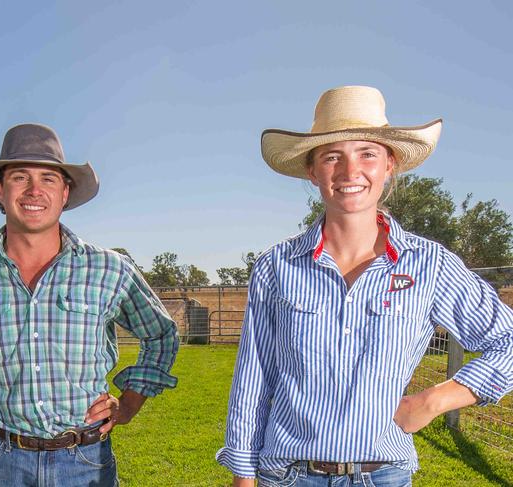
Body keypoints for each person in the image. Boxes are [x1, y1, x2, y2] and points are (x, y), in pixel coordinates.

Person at [216, 86, 513, 486]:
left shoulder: (429, 264)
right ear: (312, 170)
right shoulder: (277, 266)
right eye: (332, 156)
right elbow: (253, 378)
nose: (349, 171)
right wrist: (243, 474)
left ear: (390, 164)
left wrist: (434, 400)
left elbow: (507, 341)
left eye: (367, 153)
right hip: (289, 476)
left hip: (383, 475)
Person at [0, 123, 179, 487]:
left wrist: (130, 403)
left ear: (65, 193)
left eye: (48, 178)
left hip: (86, 459)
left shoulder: (109, 268)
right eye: (19, 177)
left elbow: (161, 334)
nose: (34, 190)